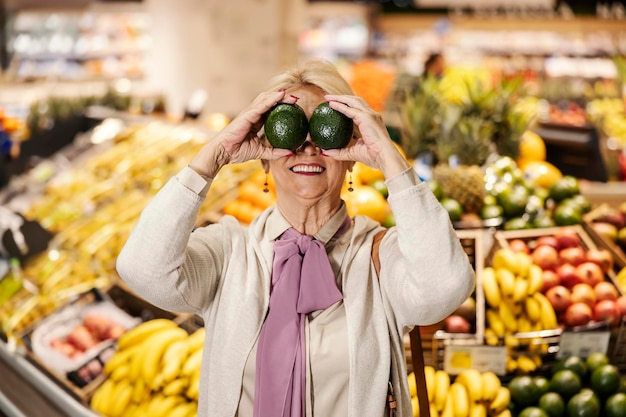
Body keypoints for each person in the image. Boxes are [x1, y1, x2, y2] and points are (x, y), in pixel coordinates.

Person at [116, 59, 474, 417]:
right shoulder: (230, 252)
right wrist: (214, 155)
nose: (307, 146)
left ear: (350, 155)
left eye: (322, 127)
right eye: (291, 127)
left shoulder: (380, 257)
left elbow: (445, 287)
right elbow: (142, 270)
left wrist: (391, 161)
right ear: (264, 157)